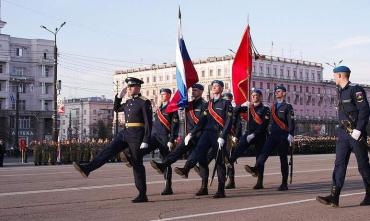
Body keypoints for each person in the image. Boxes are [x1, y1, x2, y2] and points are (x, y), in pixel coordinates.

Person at [73, 77, 153, 203]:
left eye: (130, 87)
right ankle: (87, 168)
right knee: (108, 150)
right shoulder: (128, 102)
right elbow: (116, 108)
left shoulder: (144, 102)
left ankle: (142, 194)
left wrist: (146, 139)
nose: (128, 89)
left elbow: (149, 123)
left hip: (137, 135)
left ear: (137, 87)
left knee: (137, 163)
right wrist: (119, 97)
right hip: (125, 132)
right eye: (128, 87)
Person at [317, 66, 370, 207]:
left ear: (340, 75)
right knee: (339, 164)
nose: (333, 78)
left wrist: (359, 130)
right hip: (343, 133)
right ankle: (334, 196)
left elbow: (364, 110)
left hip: (356, 134)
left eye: (335, 75)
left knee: (363, 166)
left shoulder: (355, 89)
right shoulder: (339, 91)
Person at [174, 80, 233, 198]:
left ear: (221, 89)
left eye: (217, 86)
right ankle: (187, 169)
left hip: (218, 134)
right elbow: (202, 121)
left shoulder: (226, 103)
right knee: (197, 152)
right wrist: (192, 133)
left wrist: (223, 136)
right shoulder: (208, 104)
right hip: (207, 133)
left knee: (220, 162)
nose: (214, 88)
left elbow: (228, 121)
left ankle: (221, 190)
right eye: (213, 86)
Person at [150, 84, 209, 195]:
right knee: (177, 152)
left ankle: (204, 187)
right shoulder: (188, 104)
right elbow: (177, 107)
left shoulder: (205, 105)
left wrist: (192, 133)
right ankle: (163, 165)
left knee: (202, 162)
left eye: (195, 90)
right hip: (188, 137)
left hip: (200, 136)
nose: (193, 92)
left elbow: (202, 122)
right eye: (192, 90)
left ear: (201, 91)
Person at [245, 85, 295, 191]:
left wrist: (291, 134)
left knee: (283, 159)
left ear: (284, 93)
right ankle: (256, 168)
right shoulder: (273, 107)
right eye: (276, 91)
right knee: (263, 153)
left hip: (283, 135)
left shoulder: (287, 106)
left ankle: (284, 183)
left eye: (279, 91)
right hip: (272, 135)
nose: (276, 93)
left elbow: (291, 122)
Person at [229, 88, 270, 189]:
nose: (254, 97)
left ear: (260, 97)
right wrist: (242, 105)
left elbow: (264, 125)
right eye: (252, 96)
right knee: (240, 146)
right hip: (248, 133)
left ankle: (259, 182)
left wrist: (254, 134)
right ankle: (230, 161)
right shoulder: (249, 107)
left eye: (256, 95)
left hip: (260, 135)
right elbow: (235, 111)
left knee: (259, 158)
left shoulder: (265, 109)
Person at [145, 88, 179, 195]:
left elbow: (175, 125)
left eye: (164, 94)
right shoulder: (159, 109)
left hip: (165, 138)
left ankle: (168, 186)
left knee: (166, 161)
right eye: (161, 94)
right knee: (144, 150)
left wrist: (171, 139)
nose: (162, 96)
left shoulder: (172, 108)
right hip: (155, 137)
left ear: (169, 95)